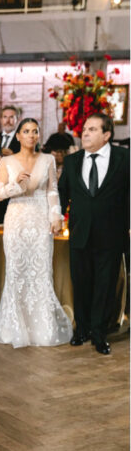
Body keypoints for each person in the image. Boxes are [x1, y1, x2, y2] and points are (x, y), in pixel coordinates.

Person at [0, 118, 72, 347]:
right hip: (16, 219)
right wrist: (16, 185)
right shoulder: (6, 161)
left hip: (40, 220)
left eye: (35, 131)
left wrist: (56, 217)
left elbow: (52, 191)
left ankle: (42, 326)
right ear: (18, 136)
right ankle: (13, 326)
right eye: (27, 131)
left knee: (41, 270)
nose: (31, 135)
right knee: (17, 270)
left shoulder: (48, 159)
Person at [58, 113, 130, 355]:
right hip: (80, 233)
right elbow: (61, 194)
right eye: (84, 129)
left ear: (106, 134)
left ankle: (99, 334)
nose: (84, 134)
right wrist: (57, 218)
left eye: (91, 129)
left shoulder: (125, 158)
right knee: (81, 283)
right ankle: (82, 330)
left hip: (112, 234)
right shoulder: (72, 161)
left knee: (105, 286)